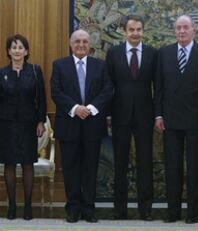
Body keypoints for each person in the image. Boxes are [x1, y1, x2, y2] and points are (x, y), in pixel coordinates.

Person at [154, 15, 198, 224]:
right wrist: (159, 115)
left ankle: (192, 213)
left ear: (194, 30)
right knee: (172, 167)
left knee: (196, 168)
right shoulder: (164, 53)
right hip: (170, 120)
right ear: (175, 31)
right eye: (178, 28)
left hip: (197, 122)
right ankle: (173, 212)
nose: (182, 31)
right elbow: (159, 88)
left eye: (185, 28)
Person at [51, 29, 113, 223]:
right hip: (69, 125)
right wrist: (76, 108)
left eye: (85, 41)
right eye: (77, 41)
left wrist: (91, 108)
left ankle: (88, 209)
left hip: (93, 125)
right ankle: (73, 208)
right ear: (71, 44)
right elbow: (56, 92)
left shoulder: (100, 66)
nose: (81, 45)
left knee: (90, 169)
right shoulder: (59, 65)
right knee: (70, 169)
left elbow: (107, 90)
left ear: (90, 45)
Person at [106, 15, 157, 221]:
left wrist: (158, 114)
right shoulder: (113, 53)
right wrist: (108, 114)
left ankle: (145, 209)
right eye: (131, 30)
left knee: (145, 163)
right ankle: (120, 209)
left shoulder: (153, 54)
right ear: (124, 31)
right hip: (119, 116)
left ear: (143, 31)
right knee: (120, 164)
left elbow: (159, 87)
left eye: (139, 29)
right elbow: (108, 86)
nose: (135, 33)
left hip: (145, 115)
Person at [0, 34, 46, 220]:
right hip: (6, 125)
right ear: (8, 52)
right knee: (9, 164)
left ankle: (28, 206)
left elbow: (41, 98)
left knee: (28, 163)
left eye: (20, 47)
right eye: (13, 47)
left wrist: (41, 121)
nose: (17, 51)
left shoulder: (35, 71)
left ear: (26, 51)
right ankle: (12, 206)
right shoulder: (1, 73)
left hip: (28, 124)